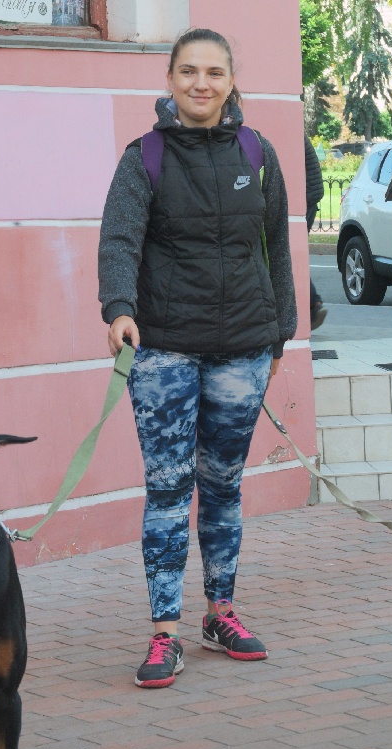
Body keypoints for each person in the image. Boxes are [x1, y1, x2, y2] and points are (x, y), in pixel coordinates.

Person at [98, 27, 297, 689]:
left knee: (221, 488)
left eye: (213, 72)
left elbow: (275, 248)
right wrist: (118, 309)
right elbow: (119, 239)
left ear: (230, 81)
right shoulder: (145, 158)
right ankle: (165, 632)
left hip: (243, 349)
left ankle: (220, 613)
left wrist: (280, 334)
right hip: (163, 350)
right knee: (166, 490)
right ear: (170, 79)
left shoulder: (257, 152)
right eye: (188, 71)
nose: (201, 84)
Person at [304, 138, 328, 329]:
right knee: (291, 257)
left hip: (304, 199)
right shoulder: (297, 133)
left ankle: (313, 305)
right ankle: (313, 305)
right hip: (309, 198)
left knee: (287, 257)